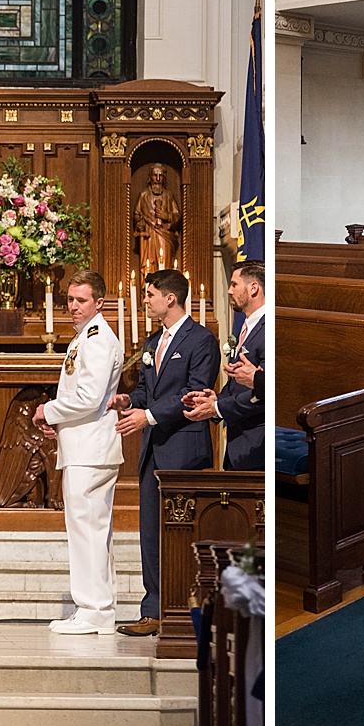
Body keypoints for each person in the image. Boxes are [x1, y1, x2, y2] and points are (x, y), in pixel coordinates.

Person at [111, 269, 219, 637]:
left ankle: (189, 612)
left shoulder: (202, 340)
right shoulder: (151, 342)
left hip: (185, 448)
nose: (145, 299)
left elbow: (196, 391)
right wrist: (130, 400)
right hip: (153, 451)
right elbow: (146, 390)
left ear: (170, 298)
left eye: (149, 293)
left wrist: (150, 415)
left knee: (184, 534)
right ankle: (153, 610)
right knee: (150, 532)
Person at [33, 269, 124, 634]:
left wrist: (49, 411)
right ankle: (97, 609)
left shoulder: (98, 339)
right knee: (90, 529)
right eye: (69, 300)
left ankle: (94, 609)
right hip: (84, 444)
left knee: (88, 529)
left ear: (99, 302)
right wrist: (61, 425)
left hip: (92, 448)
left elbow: (88, 397)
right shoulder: (84, 337)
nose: (72, 306)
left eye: (81, 300)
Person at [184, 261, 266, 471]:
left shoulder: (267, 328)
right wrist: (216, 399)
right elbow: (240, 381)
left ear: (253, 288)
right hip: (238, 442)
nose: (229, 291)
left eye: (234, 284)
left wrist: (218, 408)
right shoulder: (247, 325)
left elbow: (266, 390)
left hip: (258, 442)